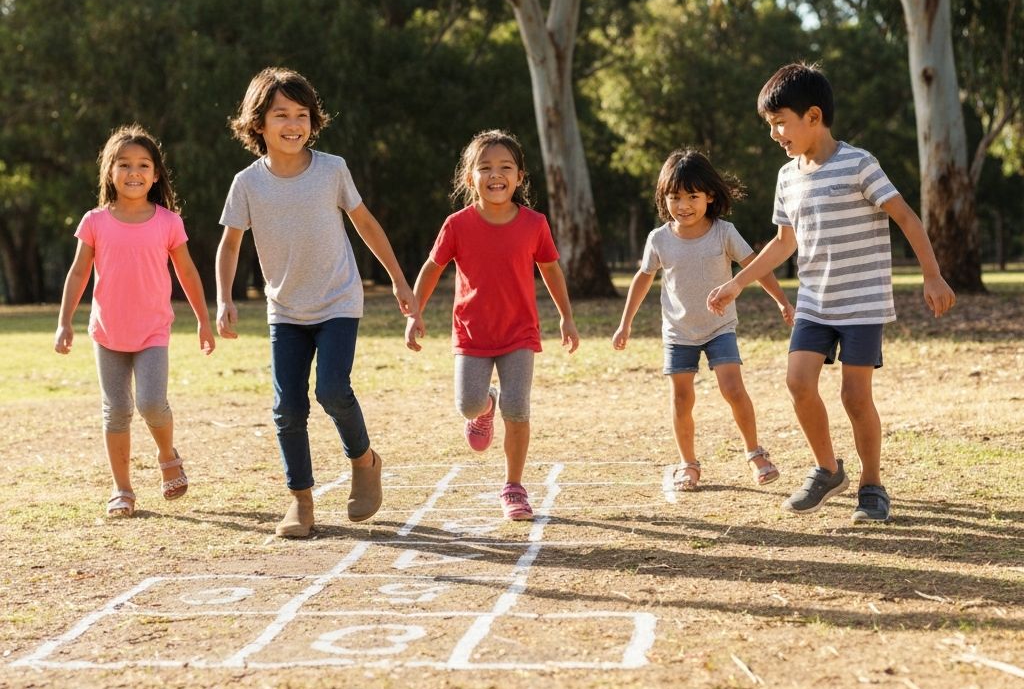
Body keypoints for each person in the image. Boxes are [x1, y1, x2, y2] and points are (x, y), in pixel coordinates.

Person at [708, 62, 956, 524]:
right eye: (770, 124)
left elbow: (905, 216)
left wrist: (932, 275)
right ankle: (827, 468)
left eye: (780, 122)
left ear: (814, 117)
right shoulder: (787, 177)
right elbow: (784, 242)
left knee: (855, 397)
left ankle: (872, 484)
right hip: (816, 303)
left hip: (861, 302)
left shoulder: (859, 163)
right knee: (798, 382)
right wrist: (738, 283)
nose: (775, 133)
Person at [215, 67, 418, 539]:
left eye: (301, 114)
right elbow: (229, 245)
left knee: (331, 388)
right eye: (280, 114)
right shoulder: (247, 183)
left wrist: (398, 279)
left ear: (313, 120)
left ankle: (364, 461)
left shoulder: (332, 169)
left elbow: (365, 223)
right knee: (288, 409)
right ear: (258, 124)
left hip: (337, 301)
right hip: (285, 310)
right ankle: (300, 502)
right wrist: (223, 298)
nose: (293, 123)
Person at [404, 129, 579, 521]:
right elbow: (433, 268)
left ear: (519, 177)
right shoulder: (457, 224)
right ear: (470, 178)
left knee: (518, 408)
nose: (495, 175)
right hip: (472, 333)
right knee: (467, 403)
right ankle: (486, 408)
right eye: (485, 168)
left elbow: (550, 270)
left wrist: (566, 317)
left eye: (505, 167)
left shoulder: (534, 224)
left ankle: (513, 486)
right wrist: (416, 311)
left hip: (519, 332)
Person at [54, 125, 215, 519]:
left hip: (152, 331)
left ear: (156, 174)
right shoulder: (94, 221)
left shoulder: (168, 223)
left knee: (151, 404)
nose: (134, 172)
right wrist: (64, 322)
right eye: (124, 164)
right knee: (117, 410)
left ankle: (167, 455)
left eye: (143, 164)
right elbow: (78, 274)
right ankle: (122, 489)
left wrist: (203, 321)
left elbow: (189, 274)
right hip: (107, 332)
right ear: (109, 171)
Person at [612, 150, 794, 493]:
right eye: (675, 197)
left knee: (732, 389)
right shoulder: (660, 238)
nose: (684, 205)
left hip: (718, 327)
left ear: (710, 196)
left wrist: (783, 301)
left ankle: (755, 453)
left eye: (692, 196)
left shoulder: (724, 233)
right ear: (664, 198)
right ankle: (689, 464)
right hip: (678, 332)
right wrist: (626, 324)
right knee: (682, 399)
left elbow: (755, 267)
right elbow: (643, 278)